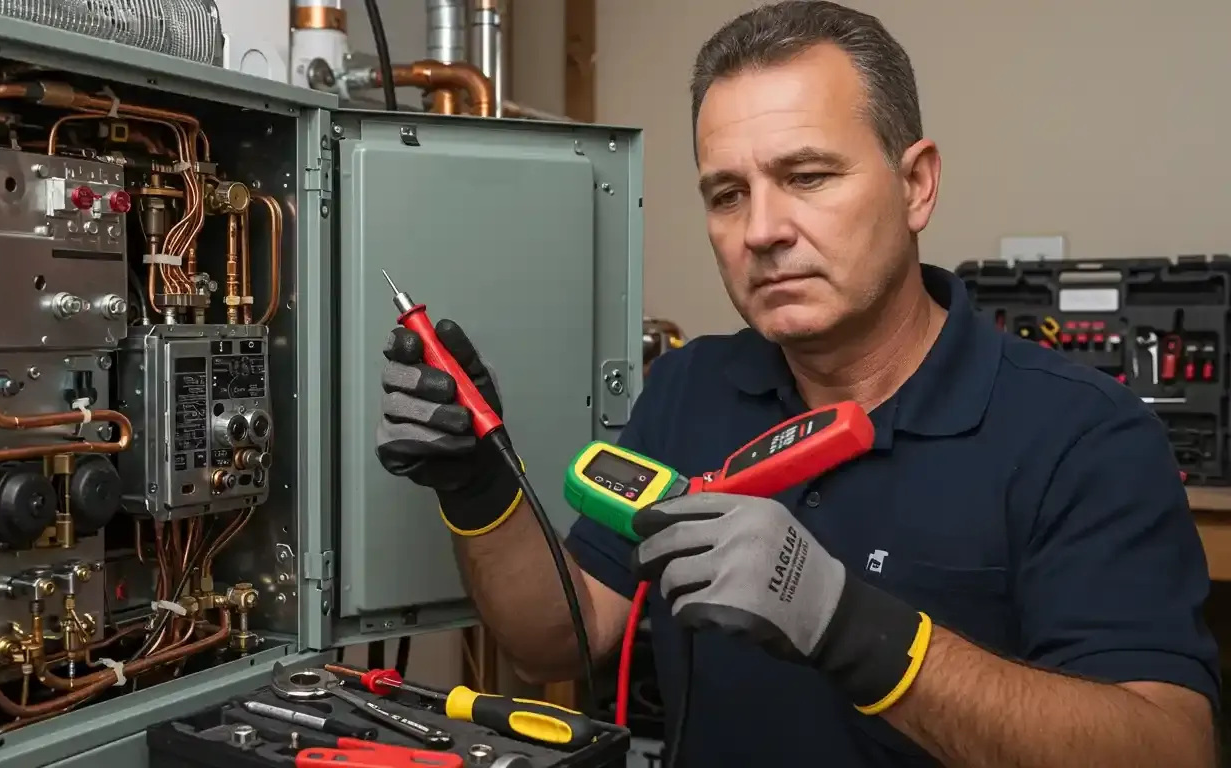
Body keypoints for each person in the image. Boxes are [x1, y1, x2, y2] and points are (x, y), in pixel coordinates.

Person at [373, 1, 1220, 764]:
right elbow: (561, 638)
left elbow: (1167, 749)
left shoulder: (1081, 435)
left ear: (916, 184)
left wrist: (849, 624)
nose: (764, 230)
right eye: (727, 194)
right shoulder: (691, 386)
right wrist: (477, 483)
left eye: (807, 177)